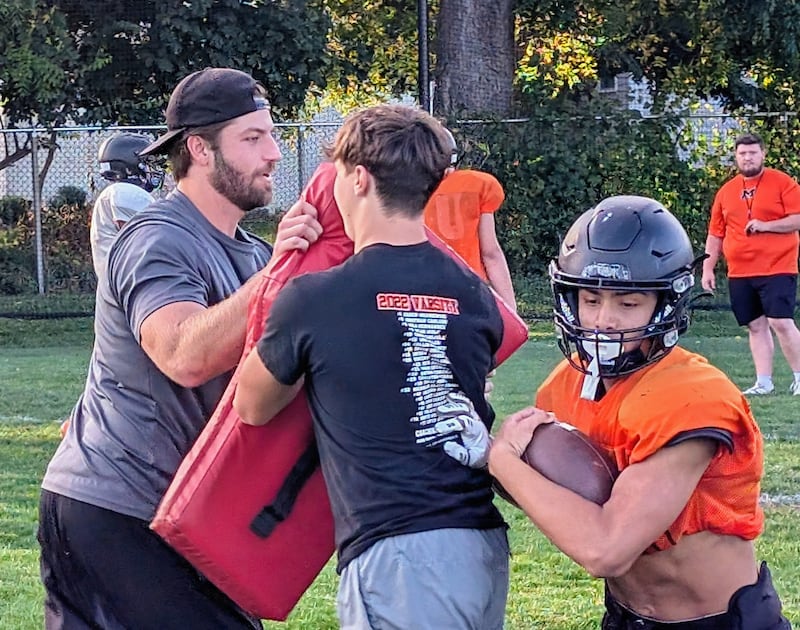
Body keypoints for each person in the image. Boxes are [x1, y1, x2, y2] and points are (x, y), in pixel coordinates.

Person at [37, 67, 323, 629]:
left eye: (272, 135)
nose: (273, 153)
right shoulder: (157, 237)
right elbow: (183, 355)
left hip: (194, 515)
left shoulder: (254, 255)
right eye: (252, 138)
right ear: (199, 148)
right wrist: (278, 279)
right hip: (119, 507)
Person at [442, 195, 790, 629]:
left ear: (666, 304)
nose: (604, 320)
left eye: (627, 304)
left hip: (716, 621)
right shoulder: (567, 383)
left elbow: (605, 548)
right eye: (590, 300)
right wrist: (486, 448)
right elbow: (552, 492)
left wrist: (500, 458)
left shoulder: (692, 395)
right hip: (625, 617)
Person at [233, 104, 509, 629]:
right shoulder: (475, 295)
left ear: (358, 178)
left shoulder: (316, 297)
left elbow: (251, 406)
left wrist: (281, 274)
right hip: (479, 542)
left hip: (400, 555)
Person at [701, 132, 800, 396]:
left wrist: (765, 226)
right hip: (741, 272)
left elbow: (797, 219)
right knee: (755, 326)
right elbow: (715, 233)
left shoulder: (782, 182)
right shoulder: (726, 191)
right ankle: (763, 382)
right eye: (743, 153)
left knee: (781, 322)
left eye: (753, 152)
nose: (748, 158)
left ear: (763, 154)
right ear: (736, 157)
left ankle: (799, 377)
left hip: (778, 267)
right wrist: (707, 268)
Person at [422, 130, 516, 310]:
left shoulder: (406, 191)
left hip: (422, 292)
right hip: (469, 290)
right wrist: (511, 309)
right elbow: (490, 253)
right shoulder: (479, 184)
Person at [90, 132, 165, 287]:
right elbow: (154, 241)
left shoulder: (117, 192)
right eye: (148, 161)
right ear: (130, 165)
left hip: (125, 284)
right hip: (134, 285)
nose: (153, 168)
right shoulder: (125, 192)